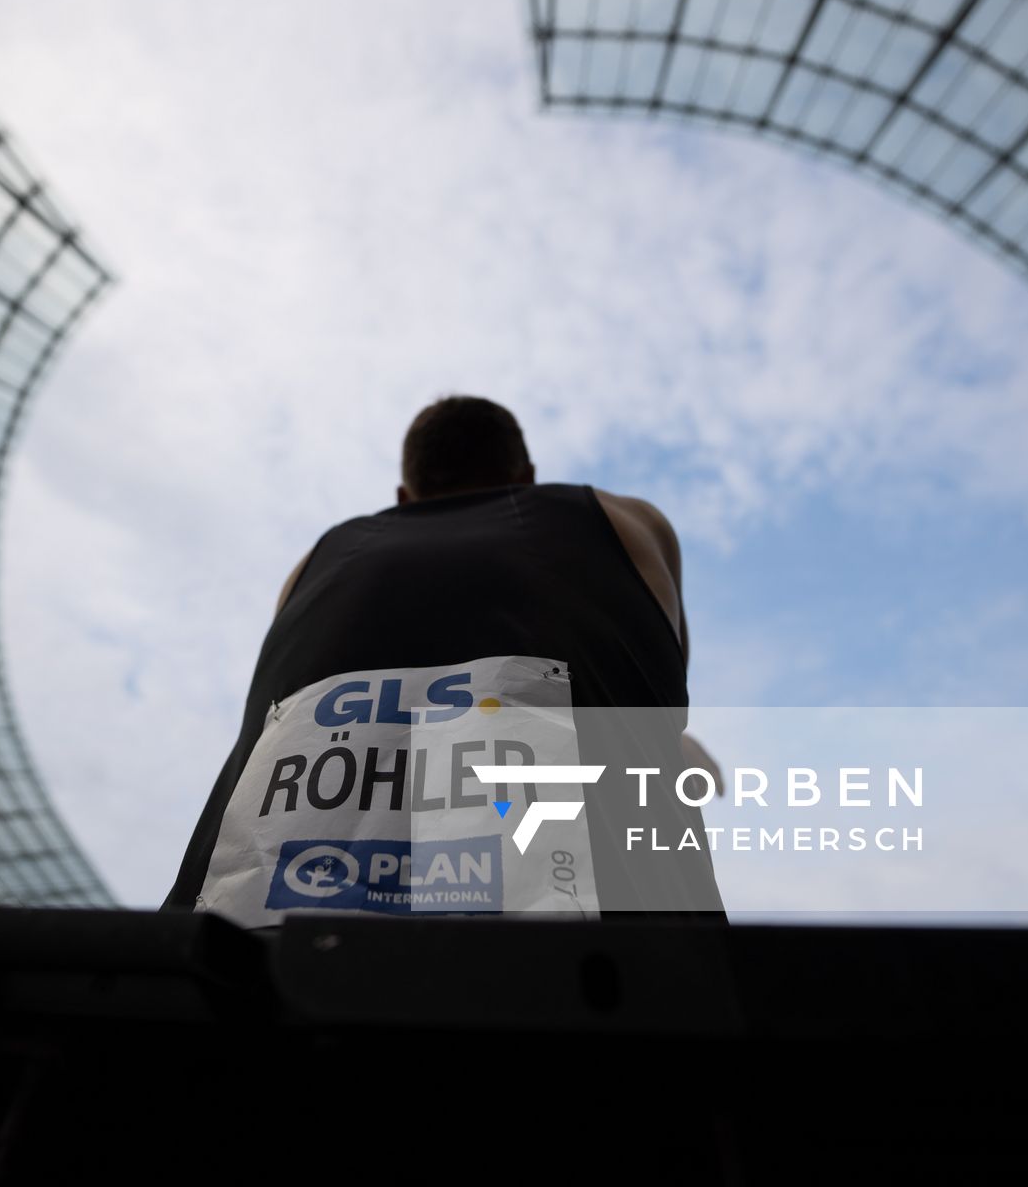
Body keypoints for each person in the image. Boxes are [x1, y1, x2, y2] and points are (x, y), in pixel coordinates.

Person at [162, 395, 726, 925]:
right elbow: (662, 700)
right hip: (622, 970)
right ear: (526, 477)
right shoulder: (628, 523)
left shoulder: (316, 560)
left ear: (404, 495)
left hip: (247, 970)